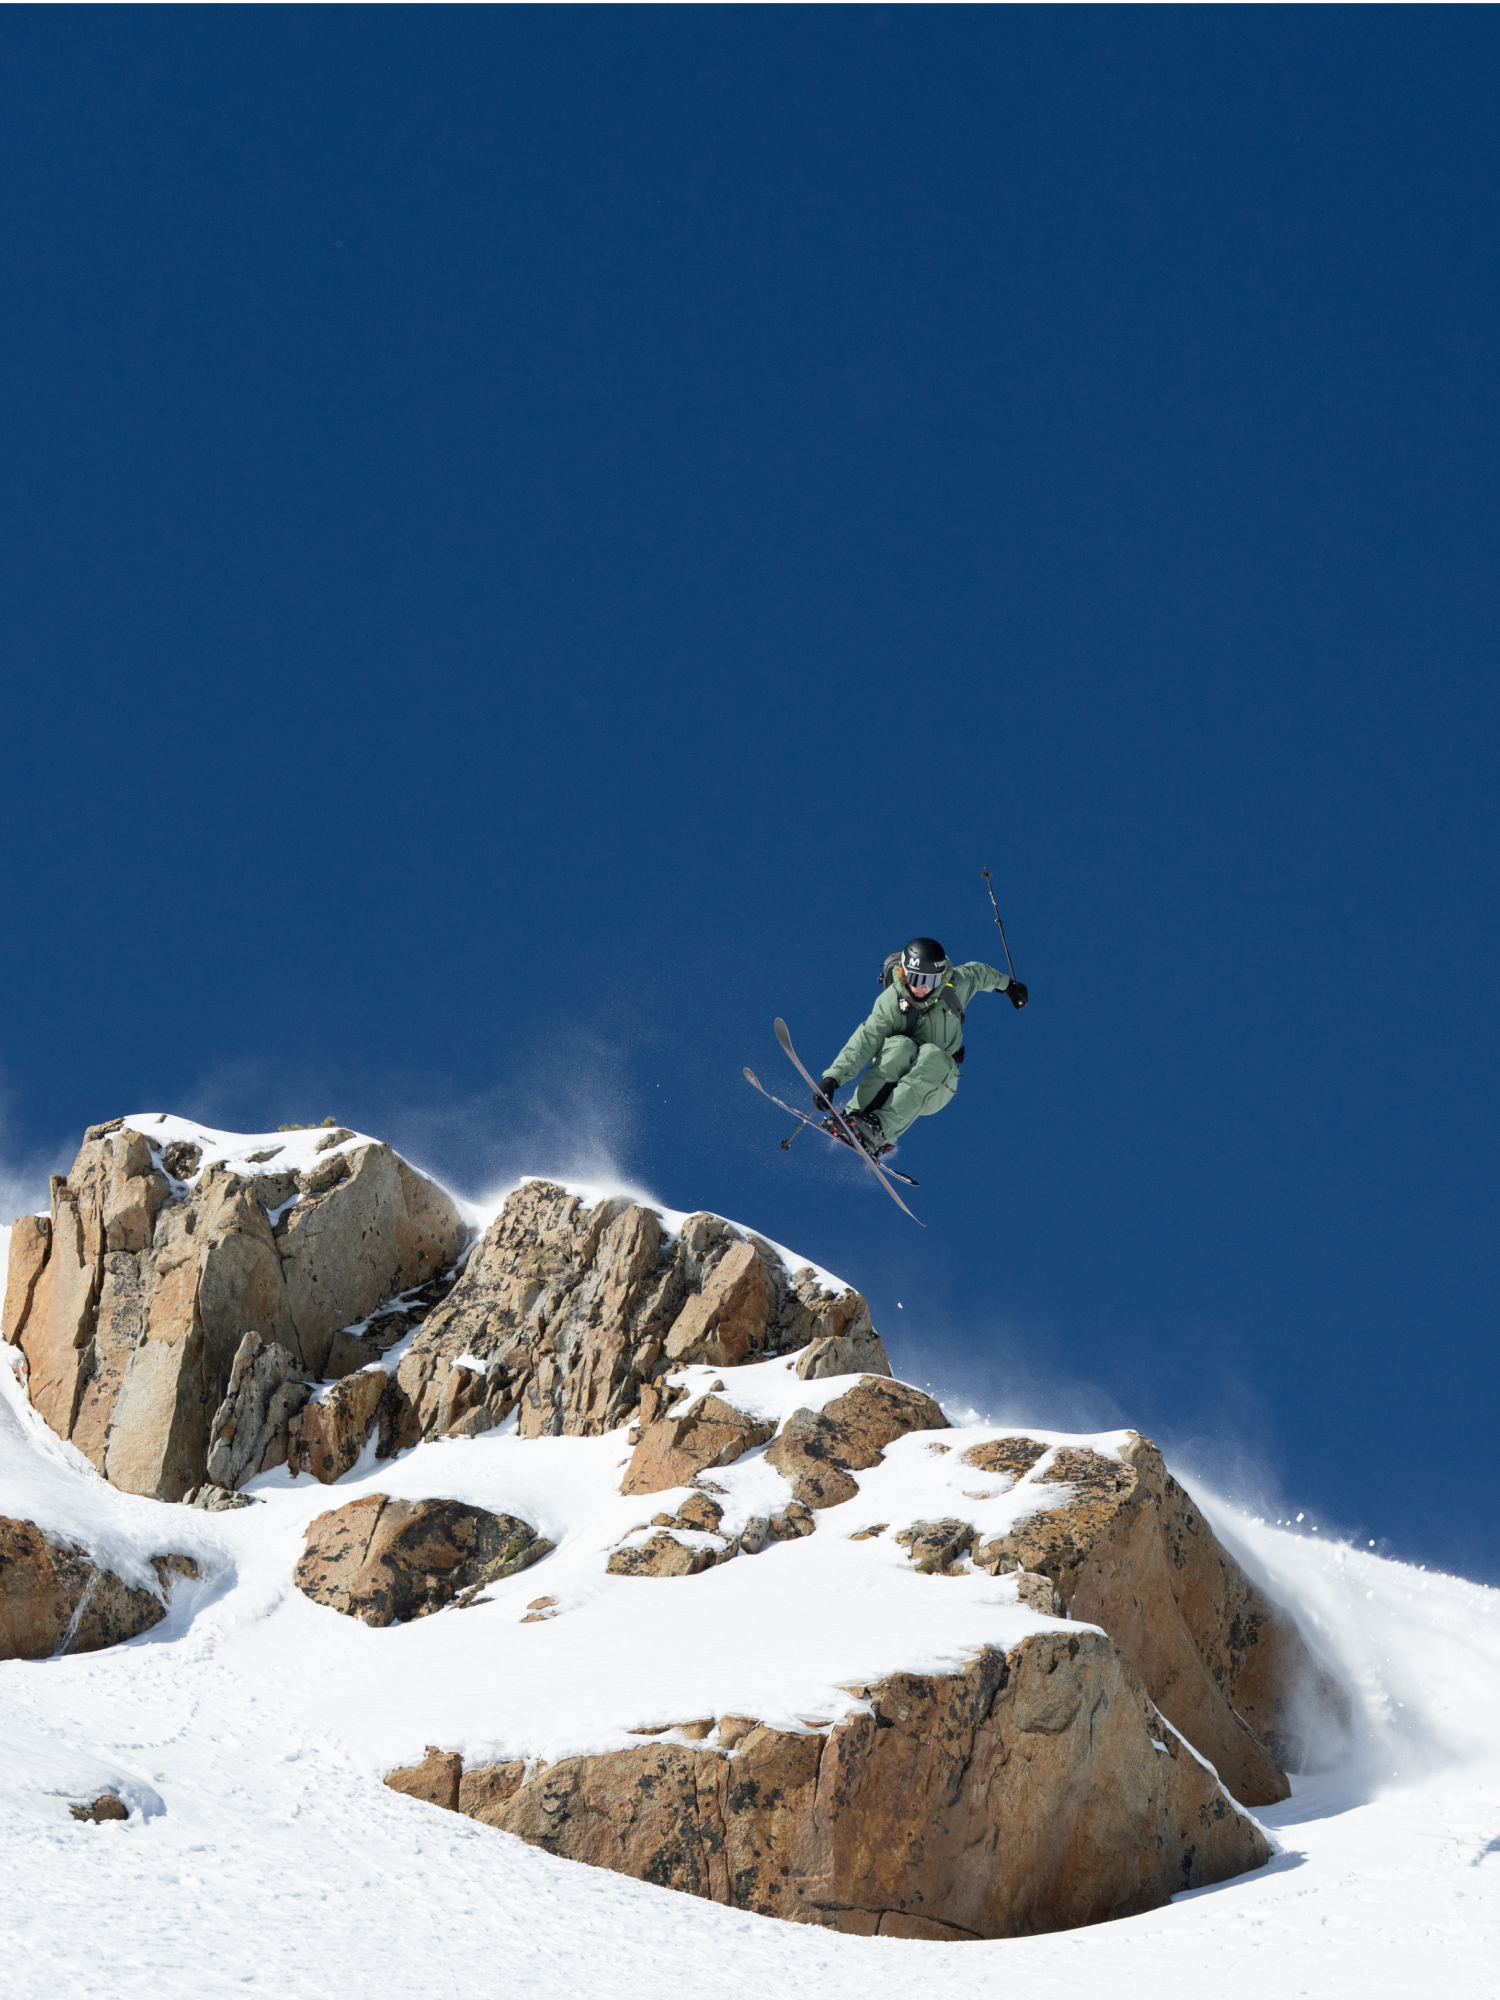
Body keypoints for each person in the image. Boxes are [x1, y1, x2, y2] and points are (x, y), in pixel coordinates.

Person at [812, 937, 1027, 1158]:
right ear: (904, 973)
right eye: (915, 978)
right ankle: (852, 1118)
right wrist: (833, 1079)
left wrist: (1010, 987)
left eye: (930, 981)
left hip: (937, 1080)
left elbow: (980, 973)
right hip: (900, 1070)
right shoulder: (891, 1003)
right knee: (900, 1046)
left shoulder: (956, 985)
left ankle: (880, 1131)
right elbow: (865, 1039)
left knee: (931, 1054)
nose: (922, 987)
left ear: (941, 977)